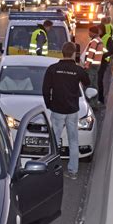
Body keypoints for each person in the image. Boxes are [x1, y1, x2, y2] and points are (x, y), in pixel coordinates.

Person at [43, 42, 90, 180]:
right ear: (74, 53)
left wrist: (49, 104)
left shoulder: (53, 69)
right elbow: (87, 82)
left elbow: (45, 89)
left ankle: (51, 169)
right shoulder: (77, 70)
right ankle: (73, 171)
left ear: (61, 52)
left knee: (54, 140)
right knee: (73, 140)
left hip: (57, 109)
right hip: (72, 110)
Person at [82, 26, 104, 98]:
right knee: (94, 84)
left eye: (89, 32)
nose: (88, 33)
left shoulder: (94, 41)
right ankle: (94, 101)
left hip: (92, 65)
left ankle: (89, 101)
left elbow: (91, 54)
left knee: (89, 84)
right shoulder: (99, 40)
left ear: (92, 32)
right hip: (97, 65)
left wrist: (86, 65)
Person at [98, 24, 113, 104]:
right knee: (97, 80)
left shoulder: (108, 38)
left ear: (102, 30)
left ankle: (101, 99)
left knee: (99, 79)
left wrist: (102, 56)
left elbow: (111, 51)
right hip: (97, 61)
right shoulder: (97, 38)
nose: (98, 32)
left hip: (104, 61)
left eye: (99, 30)